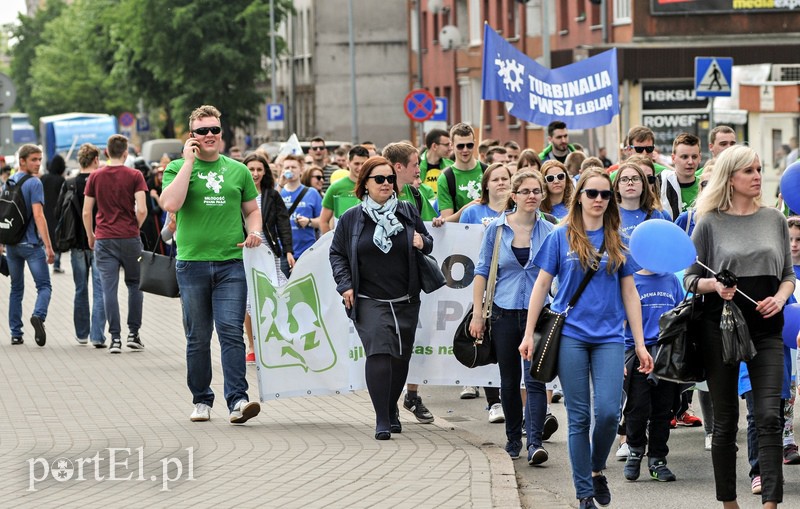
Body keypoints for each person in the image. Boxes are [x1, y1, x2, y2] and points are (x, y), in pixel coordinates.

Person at [519, 168, 653, 509]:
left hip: (610, 337)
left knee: (608, 412)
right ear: (578, 196)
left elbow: (630, 294)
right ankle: (584, 493)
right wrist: (528, 334)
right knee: (579, 417)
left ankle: (596, 469)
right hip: (571, 337)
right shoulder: (559, 236)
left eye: (605, 195)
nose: (598, 200)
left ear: (611, 200)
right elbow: (541, 286)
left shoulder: (617, 238)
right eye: (591, 193)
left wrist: (638, 343)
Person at [684, 145, 794, 509]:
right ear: (730, 178)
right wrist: (714, 285)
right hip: (721, 330)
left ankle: (771, 503)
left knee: (768, 415)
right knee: (726, 421)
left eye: (759, 169)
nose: (758, 176)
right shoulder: (709, 222)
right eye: (749, 171)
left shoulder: (774, 219)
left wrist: (779, 298)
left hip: (767, 328)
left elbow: (787, 276)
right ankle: (729, 502)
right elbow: (688, 278)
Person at [160, 104, 262, 425]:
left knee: (231, 332)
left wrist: (255, 230)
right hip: (191, 264)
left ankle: (238, 400)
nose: (209, 135)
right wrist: (189, 162)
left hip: (231, 263)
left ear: (222, 132)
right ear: (192, 136)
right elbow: (170, 204)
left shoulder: (238, 170)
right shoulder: (177, 167)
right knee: (198, 336)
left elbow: (252, 210)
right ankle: (202, 399)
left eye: (214, 130)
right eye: (202, 131)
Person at [329, 156, 433, 440]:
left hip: (405, 297)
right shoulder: (352, 218)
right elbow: (337, 253)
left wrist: (421, 241)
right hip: (368, 298)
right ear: (365, 184)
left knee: (400, 357)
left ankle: (391, 407)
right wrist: (345, 285)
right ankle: (382, 418)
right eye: (379, 179)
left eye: (389, 178)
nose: (386, 183)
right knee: (379, 352)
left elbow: (428, 241)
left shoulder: (407, 211)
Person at [470, 170, 556, 464]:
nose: (532, 196)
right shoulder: (496, 229)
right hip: (504, 313)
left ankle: (535, 442)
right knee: (509, 380)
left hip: (539, 316)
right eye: (526, 191)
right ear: (514, 196)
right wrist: (478, 315)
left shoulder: (551, 230)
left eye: (537, 191)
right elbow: (481, 271)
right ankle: (512, 439)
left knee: (535, 380)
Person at [384, 141, 437, 425]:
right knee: (385, 348)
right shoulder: (372, 196)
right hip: (379, 289)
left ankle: (402, 399)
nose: (420, 169)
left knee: (404, 350)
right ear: (398, 167)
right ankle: (387, 407)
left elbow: (426, 238)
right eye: (416, 164)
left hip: (409, 286)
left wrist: (422, 240)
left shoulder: (414, 196)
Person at [83, 135, 147, 355]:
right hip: (130, 237)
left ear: (107, 153)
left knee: (108, 288)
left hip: (104, 239)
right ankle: (133, 334)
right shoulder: (135, 175)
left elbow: (86, 211)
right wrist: (134, 227)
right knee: (135, 285)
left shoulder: (95, 177)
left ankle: (115, 339)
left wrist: (91, 235)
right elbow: (142, 209)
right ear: (126, 152)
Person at [458, 163, 512, 419]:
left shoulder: (516, 211)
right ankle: (494, 402)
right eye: (496, 179)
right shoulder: (473, 212)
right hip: (477, 282)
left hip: (507, 287)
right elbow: (453, 235)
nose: (501, 183)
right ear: (486, 185)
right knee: (486, 344)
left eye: (505, 179)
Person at [621, 268, 683, 483]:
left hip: (666, 354)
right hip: (638, 353)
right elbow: (621, 320)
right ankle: (635, 450)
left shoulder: (671, 279)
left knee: (663, 409)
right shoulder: (631, 279)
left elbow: (680, 314)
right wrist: (620, 355)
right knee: (636, 407)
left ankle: (657, 459)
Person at [242, 152, 293, 364]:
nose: (255, 173)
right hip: (244, 252)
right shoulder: (237, 192)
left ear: (265, 172)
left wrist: (288, 250)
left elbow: (283, 223)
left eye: (259, 169)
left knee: (277, 294)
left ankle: (276, 340)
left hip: (269, 251)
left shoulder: (271, 195)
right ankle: (252, 346)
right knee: (249, 300)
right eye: (251, 169)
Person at [3, 144, 54, 346]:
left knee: (16, 289)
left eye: (40, 159)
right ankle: (38, 316)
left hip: (12, 244)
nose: (38, 163)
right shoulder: (34, 183)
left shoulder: (8, 181)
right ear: (22, 160)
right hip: (31, 245)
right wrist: (49, 247)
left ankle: (16, 333)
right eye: (34, 159)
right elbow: (39, 216)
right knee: (44, 286)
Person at [62, 143, 107, 347]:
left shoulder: (70, 183)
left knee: (80, 288)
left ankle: (81, 334)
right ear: (96, 159)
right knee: (100, 289)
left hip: (76, 243)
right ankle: (97, 336)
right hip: (99, 241)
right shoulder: (101, 181)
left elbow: (58, 212)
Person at [437, 123, 485, 222]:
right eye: (460, 146)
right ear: (452, 145)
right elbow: (447, 220)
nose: (465, 150)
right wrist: (468, 208)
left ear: (474, 143)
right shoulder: (446, 178)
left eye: (469, 145)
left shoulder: (487, 171)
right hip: (460, 234)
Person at [319, 145, 370, 234]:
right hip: (343, 243)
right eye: (356, 163)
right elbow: (323, 221)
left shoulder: (375, 185)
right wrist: (331, 243)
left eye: (364, 164)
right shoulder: (336, 187)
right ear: (348, 163)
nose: (360, 168)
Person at [613, 162, 669, 241]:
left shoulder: (656, 216)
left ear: (643, 185)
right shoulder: (610, 215)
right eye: (624, 179)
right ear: (617, 187)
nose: (630, 183)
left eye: (635, 179)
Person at [280, 154, 321, 260]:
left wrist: (309, 221)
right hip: (282, 251)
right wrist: (280, 185)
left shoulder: (312, 193)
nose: (290, 170)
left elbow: (323, 220)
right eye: (287, 168)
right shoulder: (278, 192)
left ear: (301, 170)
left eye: (293, 167)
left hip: (306, 251)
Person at [660, 133, 702, 220]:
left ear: (699, 158)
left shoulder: (707, 187)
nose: (690, 162)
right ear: (673, 158)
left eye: (694, 157)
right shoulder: (660, 186)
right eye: (684, 157)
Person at [40, 154, 66, 273]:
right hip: (57, 212)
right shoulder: (61, 180)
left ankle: (43, 261)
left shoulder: (43, 178)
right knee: (57, 237)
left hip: (44, 211)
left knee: (45, 236)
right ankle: (56, 263)